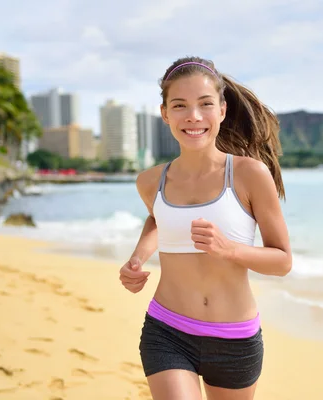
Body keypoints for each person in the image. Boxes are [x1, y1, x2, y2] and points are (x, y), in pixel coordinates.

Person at [118, 56, 292, 400]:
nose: (193, 116)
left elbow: (282, 261)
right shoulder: (150, 180)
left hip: (234, 339)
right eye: (179, 105)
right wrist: (137, 258)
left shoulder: (249, 174)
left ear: (222, 110)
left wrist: (229, 249)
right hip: (167, 330)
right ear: (165, 113)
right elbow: (157, 218)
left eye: (205, 104)